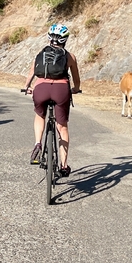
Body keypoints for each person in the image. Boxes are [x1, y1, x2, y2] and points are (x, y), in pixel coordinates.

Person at [24, 23, 81, 177]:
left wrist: (27, 87)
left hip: (41, 89)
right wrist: (75, 89)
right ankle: (63, 165)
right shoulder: (69, 56)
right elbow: (76, 79)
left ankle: (37, 143)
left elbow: (32, 73)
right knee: (62, 127)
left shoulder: (40, 54)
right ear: (65, 39)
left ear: (49, 38)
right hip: (61, 90)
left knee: (40, 115)